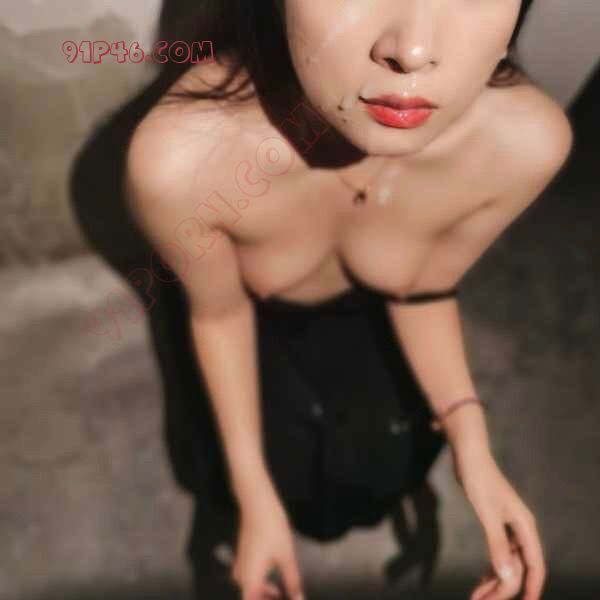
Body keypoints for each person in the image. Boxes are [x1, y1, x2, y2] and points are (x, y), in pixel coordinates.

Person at [124, 1, 573, 599]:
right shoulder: (182, 160)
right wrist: (254, 497)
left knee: (381, 464)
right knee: (244, 464)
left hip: (369, 315)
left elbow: (423, 286)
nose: (412, 51)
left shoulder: (524, 144)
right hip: (251, 320)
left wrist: (473, 446)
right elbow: (219, 314)